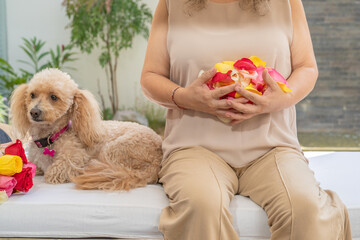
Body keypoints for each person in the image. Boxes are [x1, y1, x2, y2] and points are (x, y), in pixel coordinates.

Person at [140, 0, 352, 239]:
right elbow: (150, 76)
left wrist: (279, 99)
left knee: (305, 208)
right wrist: (186, 97)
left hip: (272, 148)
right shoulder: (171, 4)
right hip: (194, 148)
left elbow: (306, 67)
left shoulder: (287, 2)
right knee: (201, 206)